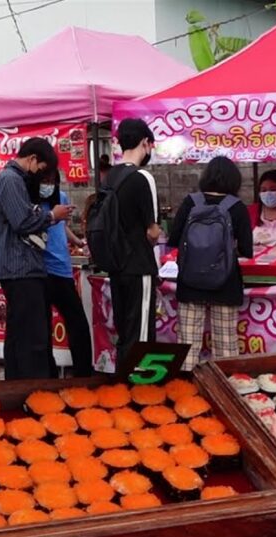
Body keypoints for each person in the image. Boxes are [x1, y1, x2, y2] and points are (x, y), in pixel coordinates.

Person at [0, 138, 72, 380]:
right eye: (42, 170)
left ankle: (17, 384)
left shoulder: (16, 180)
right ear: (32, 159)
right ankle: (34, 387)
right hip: (19, 267)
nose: (42, 177)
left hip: (22, 266)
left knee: (20, 333)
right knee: (32, 336)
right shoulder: (10, 180)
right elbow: (22, 222)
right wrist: (52, 216)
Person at [168, 157, 254, 369]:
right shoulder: (237, 207)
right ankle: (223, 386)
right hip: (225, 283)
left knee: (187, 347)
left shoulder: (190, 202)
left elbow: (174, 239)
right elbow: (247, 249)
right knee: (226, 348)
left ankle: (185, 386)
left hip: (190, 282)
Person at [106, 118, 161, 364]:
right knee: (141, 334)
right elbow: (153, 231)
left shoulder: (110, 176)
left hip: (116, 264)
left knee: (125, 331)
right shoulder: (142, 177)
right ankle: (139, 383)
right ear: (145, 142)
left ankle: (122, 380)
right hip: (139, 265)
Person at [39, 169, 93, 377]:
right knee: (43, 326)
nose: (48, 185)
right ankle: (49, 374)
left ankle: (83, 372)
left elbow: (61, 226)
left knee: (77, 322)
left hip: (63, 269)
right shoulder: (32, 202)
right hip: (43, 269)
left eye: (52, 180)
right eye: (44, 180)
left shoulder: (61, 198)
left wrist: (78, 242)